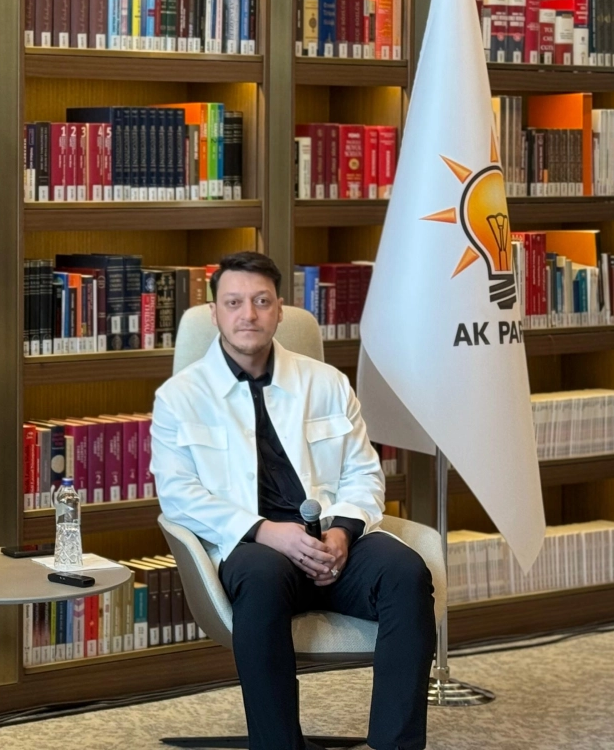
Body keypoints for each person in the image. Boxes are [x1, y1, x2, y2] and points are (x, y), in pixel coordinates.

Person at [150, 251, 434, 750]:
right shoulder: (179, 397)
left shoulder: (326, 383)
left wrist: (343, 533)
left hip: (333, 540)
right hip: (252, 545)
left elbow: (364, 473)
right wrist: (266, 531)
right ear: (214, 312)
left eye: (261, 301)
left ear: (279, 309)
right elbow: (179, 496)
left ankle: (396, 745)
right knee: (260, 578)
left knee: (406, 572)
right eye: (234, 302)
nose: (248, 314)